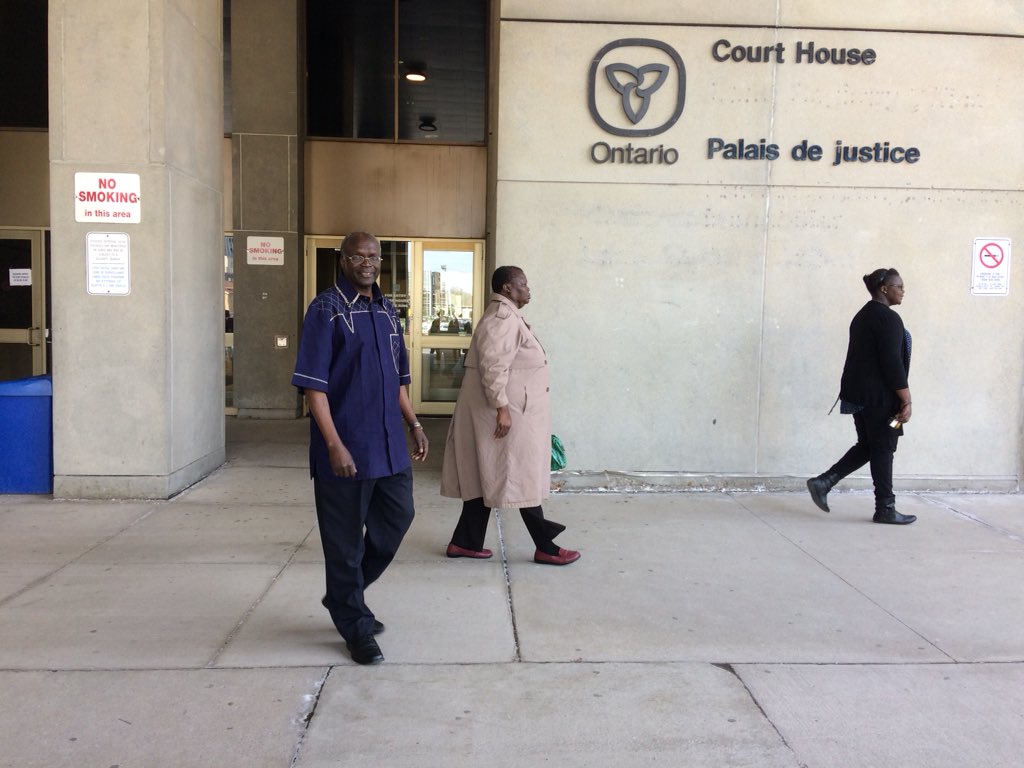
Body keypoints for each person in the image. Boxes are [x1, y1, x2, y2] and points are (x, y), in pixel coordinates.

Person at [292, 231, 429, 665]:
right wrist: (333, 444)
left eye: (374, 256)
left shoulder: (388, 310)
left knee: (397, 520)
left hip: (388, 445)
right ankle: (354, 623)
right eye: (359, 256)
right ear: (344, 259)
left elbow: (398, 380)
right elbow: (314, 389)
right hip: (347, 449)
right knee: (344, 543)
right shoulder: (326, 311)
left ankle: (342, 596)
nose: (368, 262)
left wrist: (414, 423)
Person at [440, 266, 580, 565]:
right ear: (507, 288)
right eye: (523, 285)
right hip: (504, 414)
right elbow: (493, 367)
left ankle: (465, 543)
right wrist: (502, 408)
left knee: (489, 474)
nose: (528, 289)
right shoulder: (502, 319)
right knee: (519, 475)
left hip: (508, 411)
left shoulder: (508, 316)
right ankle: (546, 545)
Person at [806, 268, 915, 524]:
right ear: (884, 289)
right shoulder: (888, 318)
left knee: (870, 446)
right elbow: (891, 363)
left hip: (860, 395)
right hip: (880, 397)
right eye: (898, 286)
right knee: (884, 447)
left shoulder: (863, 316)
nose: (903, 290)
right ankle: (885, 508)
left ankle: (824, 483)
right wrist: (906, 399)